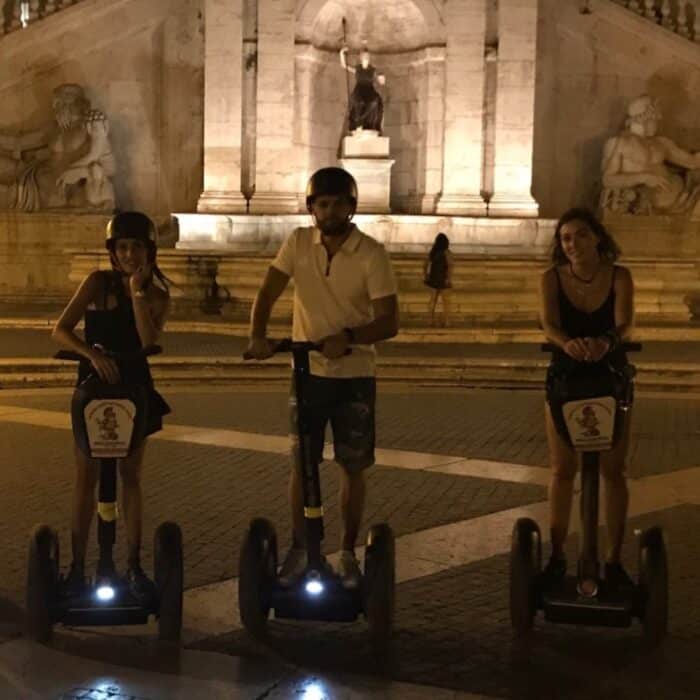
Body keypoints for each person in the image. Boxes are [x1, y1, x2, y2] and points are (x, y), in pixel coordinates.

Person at [245, 167, 399, 588]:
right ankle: (300, 548)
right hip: (307, 370)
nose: (329, 211)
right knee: (303, 463)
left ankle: (348, 550)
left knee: (352, 465)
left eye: (338, 204)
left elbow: (389, 321)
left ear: (352, 208)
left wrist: (349, 338)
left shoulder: (372, 253)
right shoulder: (297, 243)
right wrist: (258, 336)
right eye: (322, 204)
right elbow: (268, 291)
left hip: (355, 374)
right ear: (312, 208)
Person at [52, 211, 171, 599]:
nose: (129, 254)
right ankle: (77, 568)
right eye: (122, 247)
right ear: (112, 252)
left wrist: (137, 292)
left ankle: (134, 564)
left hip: (134, 384)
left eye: (137, 247)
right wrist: (92, 355)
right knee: (85, 476)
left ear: (149, 251)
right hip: (93, 384)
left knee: (131, 476)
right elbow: (60, 329)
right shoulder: (96, 283)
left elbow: (148, 339)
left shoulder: (157, 295)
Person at [539, 207, 635, 587]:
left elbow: (625, 322)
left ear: (597, 237)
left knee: (615, 470)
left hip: (609, 372)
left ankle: (612, 560)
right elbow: (549, 324)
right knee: (562, 469)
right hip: (566, 373)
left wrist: (605, 342)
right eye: (565, 238)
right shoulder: (550, 278)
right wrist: (569, 344)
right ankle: (558, 554)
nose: (572, 244)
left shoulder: (619, 276)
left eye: (580, 235)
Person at [600, 94, 700, 216]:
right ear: (644, 118)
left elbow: (693, 162)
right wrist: (644, 178)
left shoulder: (662, 143)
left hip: (679, 200)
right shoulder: (619, 143)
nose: (659, 119)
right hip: (641, 203)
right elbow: (607, 180)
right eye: (655, 118)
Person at [339, 45, 386, 133]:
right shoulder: (357, 68)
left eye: (367, 56)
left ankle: (370, 125)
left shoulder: (373, 70)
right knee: (358, 102)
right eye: (364, 56)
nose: (365, 58)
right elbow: (344, 66)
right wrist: (342, 53)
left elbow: (381, 80)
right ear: (361, 58)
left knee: (374, 102)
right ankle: (358, 124)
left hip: (370, 91)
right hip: (359, 90)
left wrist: (382, 79)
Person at [423, 232, 453, 327]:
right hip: (443, 278)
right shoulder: (447, 252)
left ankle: (430, 321)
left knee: (432, 301)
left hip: (433, 278)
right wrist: (448, 278)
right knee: (446, 302)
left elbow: (425, 265)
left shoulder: (433, 252)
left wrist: (426, 275)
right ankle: (446, 321)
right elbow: (450, 266)